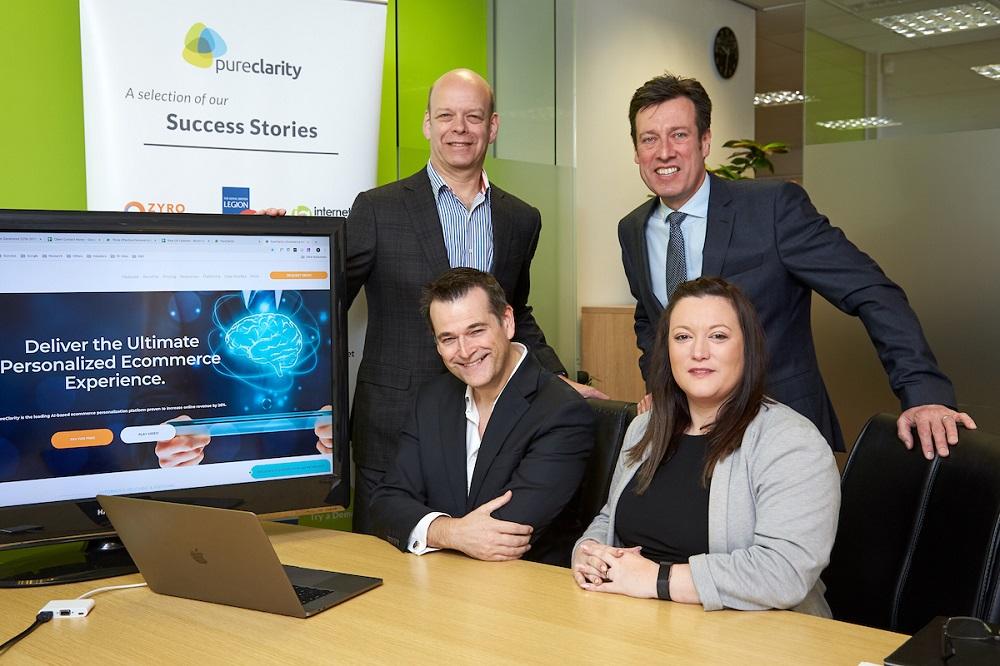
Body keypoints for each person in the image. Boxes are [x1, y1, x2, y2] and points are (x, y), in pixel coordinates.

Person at [258, 68, 604, 532]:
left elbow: (514, 313)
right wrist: (269, 248)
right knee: (387, 561)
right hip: (393, 424)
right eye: (446, 115)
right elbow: (323, 305)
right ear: (427, 125)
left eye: (472, 116)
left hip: (486, 426)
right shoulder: (378, 209)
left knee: (478, 554)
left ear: (493, 126)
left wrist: (557, 379)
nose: (459, 128)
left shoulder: (521, 218)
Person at [618, 72, 974, 459]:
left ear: (705, 142)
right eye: (649, 139)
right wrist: (661, 387)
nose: (664, 152)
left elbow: (872, 291)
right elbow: (651, 321)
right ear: (637, 151)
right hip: (689, 434)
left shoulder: (772, 208)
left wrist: (924, 393)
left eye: (679, 135)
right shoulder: (633, 229)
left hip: (783, 432)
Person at [572, 277, 838, 615]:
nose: (699, 352)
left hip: (756, 638)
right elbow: (611, 517)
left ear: (748, 347)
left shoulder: (791, 441)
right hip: (640, 626)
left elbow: (784, 572)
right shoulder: (645, 428)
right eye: (683, 337)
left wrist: (658, 580)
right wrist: (588, 551)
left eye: (718, 336)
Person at [370, 268, 594, 565]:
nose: (464, 351)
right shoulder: (431, 399)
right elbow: (386, 503)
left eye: (476, 331)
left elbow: (508, 533)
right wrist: (452, 532)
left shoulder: (562, 411)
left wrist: (430, 526)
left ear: (507, 322)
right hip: (438, 582)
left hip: (526, 592)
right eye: (448, 339)